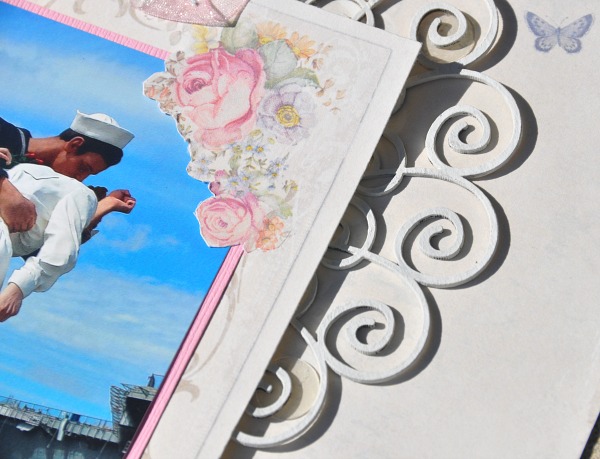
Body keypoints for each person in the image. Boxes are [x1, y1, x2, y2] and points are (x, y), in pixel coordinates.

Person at [0, 112, 136, 321]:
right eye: (83, 168)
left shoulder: (49, 184)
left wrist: (101, 208)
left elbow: (45, 247)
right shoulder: (6, 136)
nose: (81, 178)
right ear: (75, 144)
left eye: (89, 174)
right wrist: (4, 188)